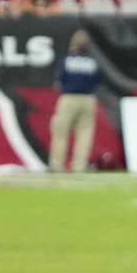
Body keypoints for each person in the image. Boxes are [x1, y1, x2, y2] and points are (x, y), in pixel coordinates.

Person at [49, 31, 100, 172]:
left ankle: (57, 165)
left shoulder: (67, 60)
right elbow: (97, 81)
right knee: (84, 134)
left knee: (60, 132)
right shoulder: (92, 62)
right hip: (88, 99)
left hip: (69, 98)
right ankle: (79, 166)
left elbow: (58, 83)